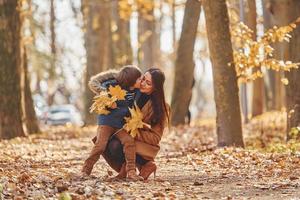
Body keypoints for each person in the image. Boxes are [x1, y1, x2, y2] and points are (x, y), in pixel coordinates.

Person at [102, 68, 170, 180]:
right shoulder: (132, 91)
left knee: (117, 145)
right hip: (123, 135)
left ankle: (145, 164)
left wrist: (134, 130)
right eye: (143, 79)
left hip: (143, 144)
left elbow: (155, 138)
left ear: (155, 88)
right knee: (104, 142)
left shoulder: (161, 107)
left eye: (148, 83)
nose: (142, 84)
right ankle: (130, 167)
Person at [81, 65, 143, 181]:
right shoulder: (112, 86)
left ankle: (131, 171)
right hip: (107, 122)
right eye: (139, 78)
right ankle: (85, 170)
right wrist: (106, 98)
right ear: (131, 79)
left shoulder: (136, 91)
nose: (141, 80)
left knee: (129, 142)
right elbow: (99, 87)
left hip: (120, 124)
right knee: (100, 145)